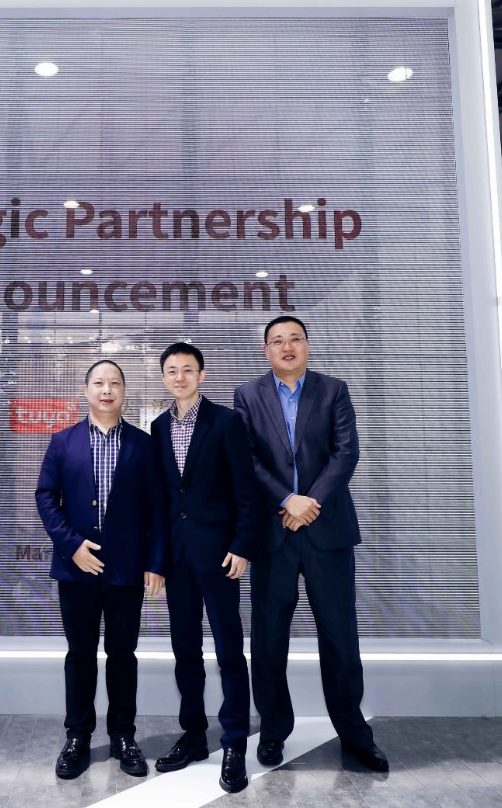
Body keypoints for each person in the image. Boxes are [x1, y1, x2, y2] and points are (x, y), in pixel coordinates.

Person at [233, 316, 388, 773]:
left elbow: (346, 453)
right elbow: (247, 459)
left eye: (295, 339)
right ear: (266, 350)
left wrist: (310, 502)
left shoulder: (333, 390)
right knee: (268, 641)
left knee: (340, 638)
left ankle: (354, 735)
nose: (287, 347)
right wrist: (287, 499)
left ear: (307, 345)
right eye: (277, 341)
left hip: (327, 532)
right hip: (273, 533)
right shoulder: (247, 395)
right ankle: (273, 732)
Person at [35, 360, 166, 780]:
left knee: (123, 655)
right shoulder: (63, 441)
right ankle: (77, 737)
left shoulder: (143, 445)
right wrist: (72, 546)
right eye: (99, 383)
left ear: (124, 391)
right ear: (86, 390)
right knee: (80, 654)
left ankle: (124, 736)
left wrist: (155, 563)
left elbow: (158, 510)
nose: (106, 390)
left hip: (126, 570)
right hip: (76, 571)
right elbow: (46, 497)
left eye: (114, 383)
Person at [150, 343, 256, 794]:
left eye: (187, 370)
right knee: (185, 651)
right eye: (172, 371)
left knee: (229, 651)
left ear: (202, 375)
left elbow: (247, 491)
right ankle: (193, 735)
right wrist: (157, 561)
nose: (180, 377)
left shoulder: (226, 422)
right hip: (178, 560)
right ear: (163, 378)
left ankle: (234, 744)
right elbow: (162, 500)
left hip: (219, 556)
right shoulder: (158, 427)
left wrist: (242, 546)